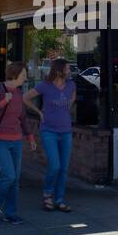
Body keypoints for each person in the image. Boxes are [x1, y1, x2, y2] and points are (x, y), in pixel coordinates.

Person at [0, 62, 37, 224]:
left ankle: (10, 213)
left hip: (16, 140)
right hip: (1, 139)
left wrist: (30, 136)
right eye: (23, 75)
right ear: (14, 74)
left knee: (15, 179)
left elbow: (22, 117)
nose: (25, 78)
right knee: (9, 176)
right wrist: (3, 102)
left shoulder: (19, 93)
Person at [26, 57, 76, 211]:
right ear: (59, 70)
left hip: (66, 131)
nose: (69, 71)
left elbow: (73, 96)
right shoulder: (45, 86)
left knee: (63, 168)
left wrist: (68, 106)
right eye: (67, 68)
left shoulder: (71, 85)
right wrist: (39, 112)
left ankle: (59, 199)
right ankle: (47, 194)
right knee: (54, 166)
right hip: (49, 131)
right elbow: (25, 97)